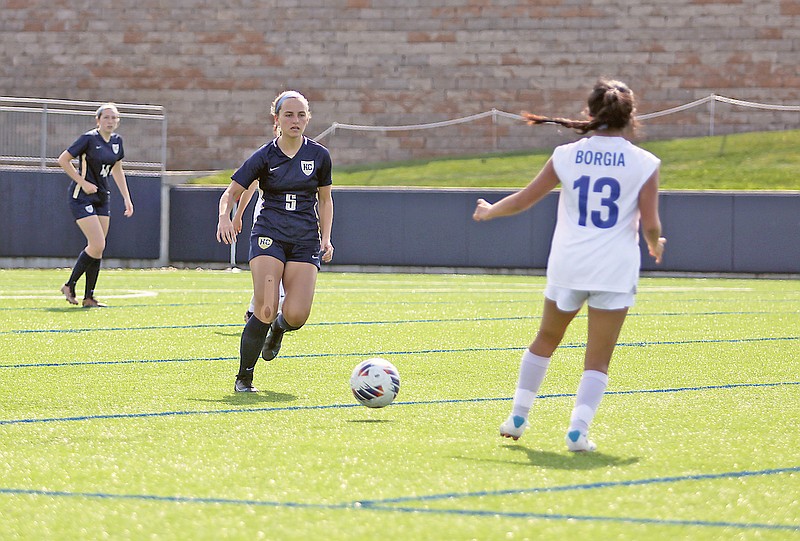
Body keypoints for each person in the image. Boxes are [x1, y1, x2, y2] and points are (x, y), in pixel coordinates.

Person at [473, 79, 666, 452]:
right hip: (614, 268)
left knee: (546, 339)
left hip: (569, 263)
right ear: (630, 117)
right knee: (598, 358)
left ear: (590, 113)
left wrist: (489, 210)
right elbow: (651, 221)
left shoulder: (567, 154)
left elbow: (524, 200)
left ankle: (517, 415)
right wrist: (655, 243)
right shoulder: (645, 162)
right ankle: (578, 430)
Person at [217, 90, 334, 393]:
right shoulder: (264, 156)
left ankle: (279, 329)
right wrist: (224, 217)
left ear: (308, 118)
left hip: (305, 239)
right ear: (277, 119)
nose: (295, 120)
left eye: (301, 115)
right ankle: (244, 377)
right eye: (289, 115)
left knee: (296, 315)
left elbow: (325, 200)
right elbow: (231, 192)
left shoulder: (319, 155)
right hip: (270, 235)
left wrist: (327, 237)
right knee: (265, 308)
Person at [58, 102, 134, 308]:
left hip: (102, 197)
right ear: (98, 120)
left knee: (99, 248)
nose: (110, 121)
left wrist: (126, 197)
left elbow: (117, 169)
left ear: (118, 121)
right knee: (97, 243)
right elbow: (63, 160)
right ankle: (69, 285)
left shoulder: (117, 141)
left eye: (114, 118)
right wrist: (82, 183)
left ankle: (88, 297)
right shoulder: (88, 139)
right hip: (81, 196)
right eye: (106, 117)